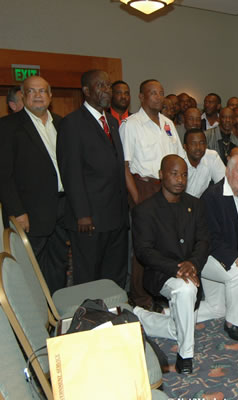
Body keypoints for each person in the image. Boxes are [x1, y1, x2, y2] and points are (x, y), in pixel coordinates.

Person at [132, 155, 210, 374]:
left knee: (180, 324)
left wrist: (193, 264)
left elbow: (204, 240)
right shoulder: (145, 210)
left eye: (184, 174)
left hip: (190, 269)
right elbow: (144, 252)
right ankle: (186, 354)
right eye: (174, 173)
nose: (180, 179)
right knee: (186, 289)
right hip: (160, 273)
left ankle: (142, 317)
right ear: (161, 175)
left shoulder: (195, 205)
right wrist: (177, 269)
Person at [57, 69, 128, 288]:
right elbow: (71, 172)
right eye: (101, 86)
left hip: (115, 215)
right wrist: (82, 214)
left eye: (108, 85)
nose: (107, 90)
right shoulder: (72, 123)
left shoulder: (112, 122)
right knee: (89, 274)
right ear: (86, 91)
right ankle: (90, 317)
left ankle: (114, 315)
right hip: (90, 219)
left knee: (115, 272)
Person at [120, 78, 186, 309]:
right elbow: (125, 166)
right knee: (144, 248)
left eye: (161, 93)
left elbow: (180, 159)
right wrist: (137, 200)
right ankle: (140, 297)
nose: (158, 97)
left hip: (168, 188)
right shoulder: (131, 124)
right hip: (144, 188)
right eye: (153, 93)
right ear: (141, 96)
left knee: (168, 244)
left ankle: (162, 293)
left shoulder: (168, 124)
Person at [0, 75, 68, 293]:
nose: (37, 96)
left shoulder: (61, 122)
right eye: (31, 91)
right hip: (28, 213)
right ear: (24, 95)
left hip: (62, 209)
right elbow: (4, 174)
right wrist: (17, 211)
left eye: (42, 91)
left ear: (50, 96)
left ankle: (57, 315)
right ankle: (31, 322)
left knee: (59, 266)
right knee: (29, 270)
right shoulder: (8, 126)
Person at [199, 154, 238, 342]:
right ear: (228, 171)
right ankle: (233, 323)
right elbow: (210, 238)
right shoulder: (212, 196)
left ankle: (169, 312)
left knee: (217, 309)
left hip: (221, 256)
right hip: (205, 256)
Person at [183, 128, 225, 198]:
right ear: (185, 147)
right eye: (193, 143)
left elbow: (224, 184)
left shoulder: (212, 157)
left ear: (206, 145)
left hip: (200, 204)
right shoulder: (178, 162)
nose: (198, 147)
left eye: (202, 143)